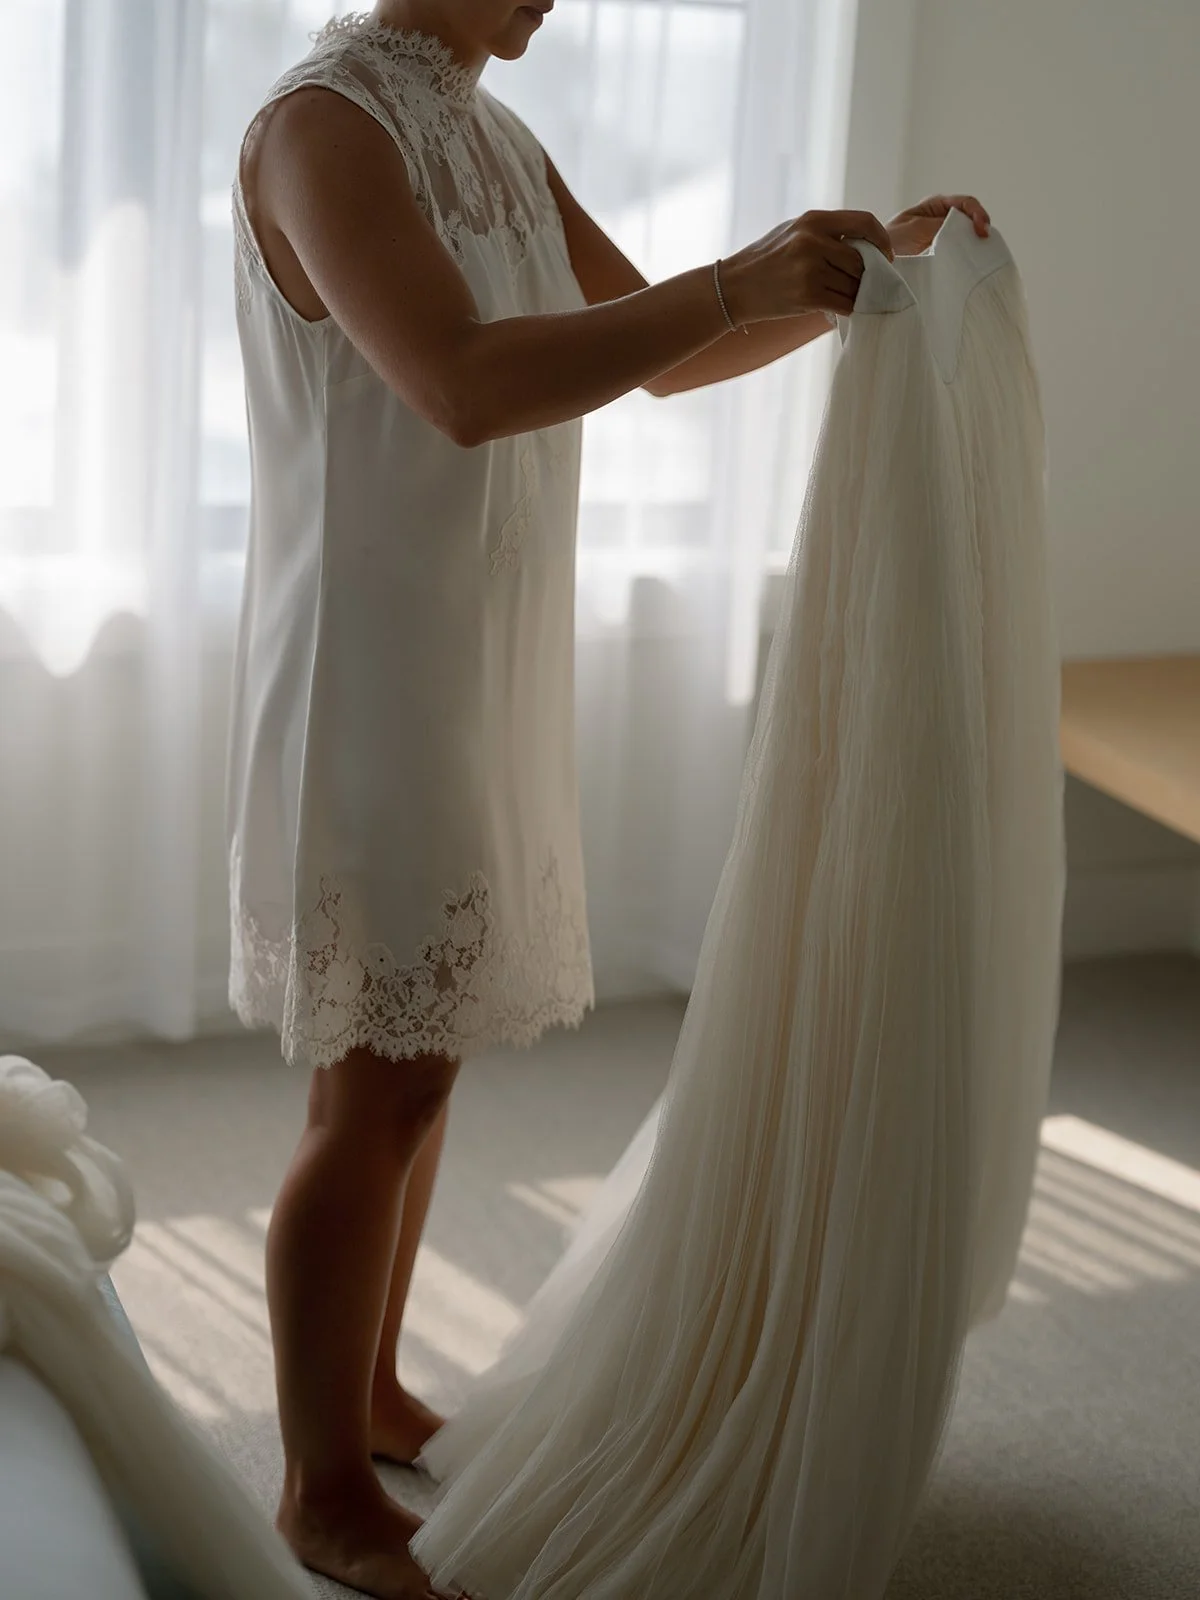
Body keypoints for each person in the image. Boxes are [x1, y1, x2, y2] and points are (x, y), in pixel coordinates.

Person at [226, 3, 990, 1596]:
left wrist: (860, 280)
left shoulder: (496, 139)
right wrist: (739, 279)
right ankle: (315, 1487)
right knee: (373, 1087)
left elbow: (667, 352)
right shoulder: (323, 127)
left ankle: (366, 1391)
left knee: (423, 1067)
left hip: (475, 663)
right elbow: (456, 382)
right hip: (369, 676)